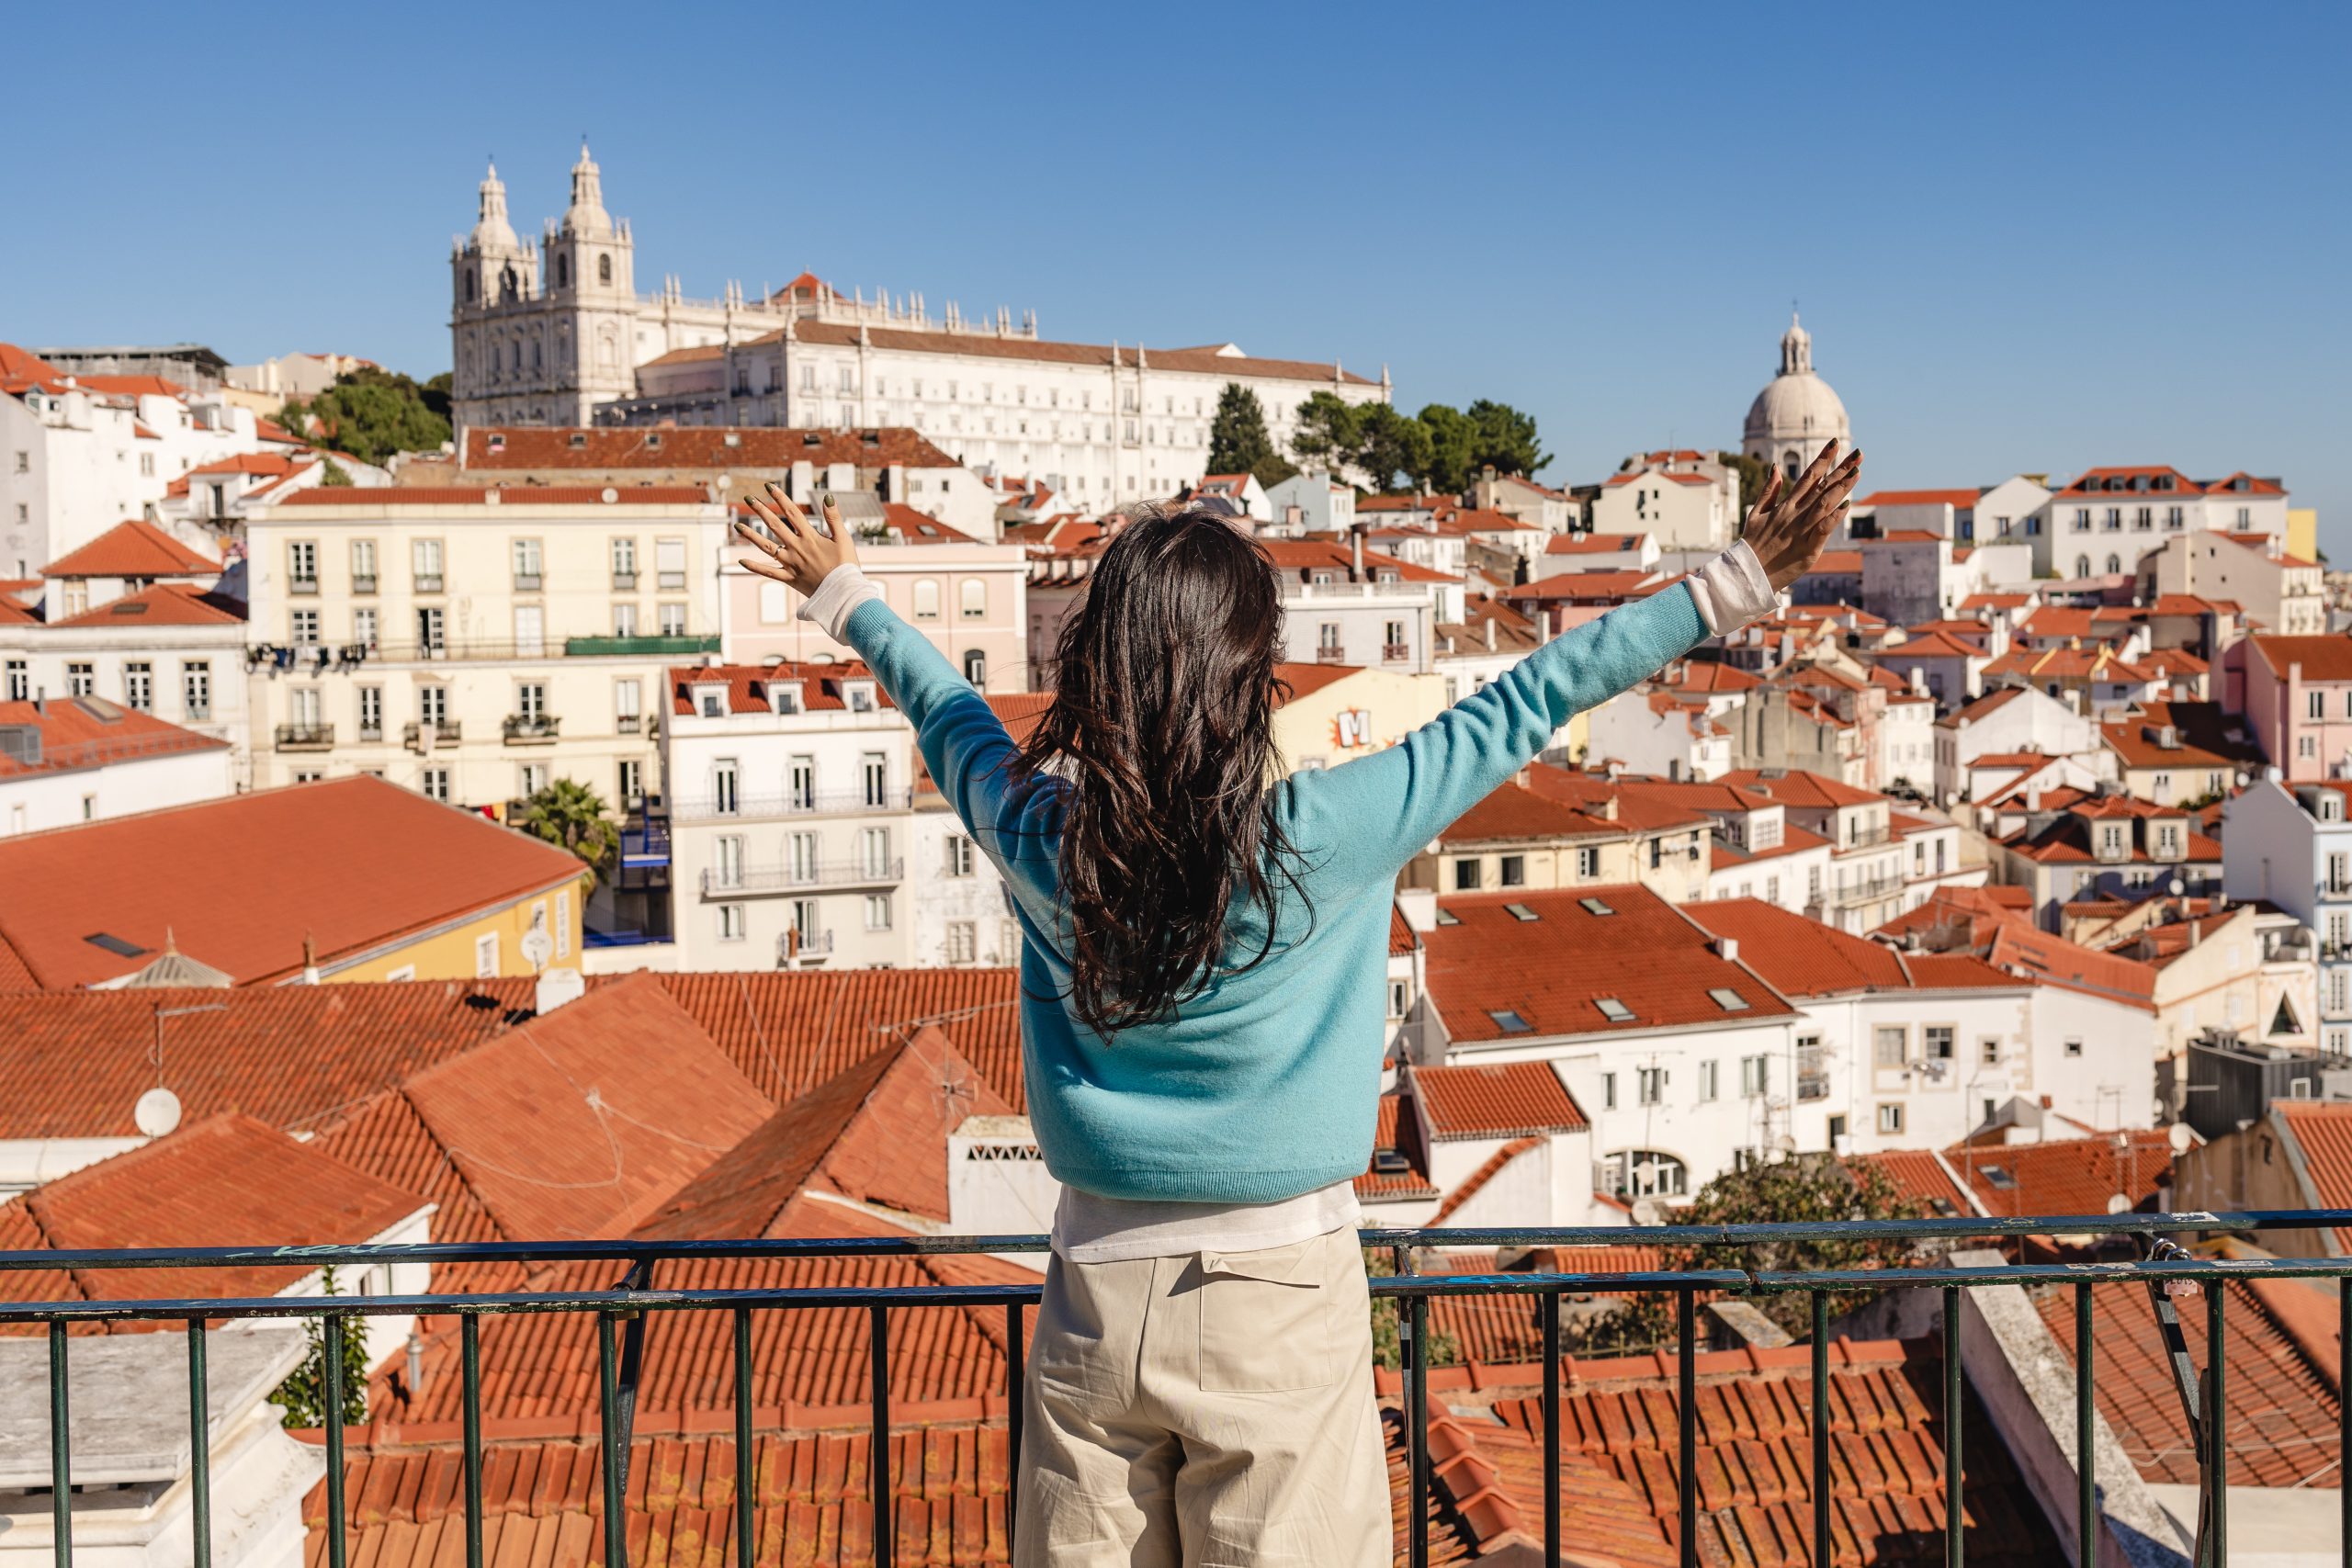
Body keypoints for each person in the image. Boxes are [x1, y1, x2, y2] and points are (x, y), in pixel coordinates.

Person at [737, 439, 1860, 1566]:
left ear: (1098, 668)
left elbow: (950, 717)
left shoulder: (1042, 837)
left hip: (1092, 1299)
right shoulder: (1324, 832)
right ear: (1249, 670)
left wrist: (846, 592)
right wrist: (1735, 578)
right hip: (1276, 1295)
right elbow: (1531, 698)